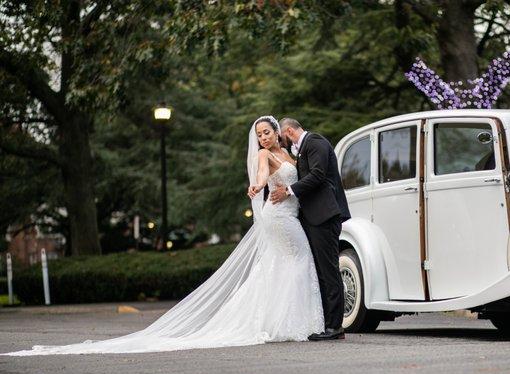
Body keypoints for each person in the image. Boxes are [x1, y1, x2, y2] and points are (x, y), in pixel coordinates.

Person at [1, 116, 324, 356]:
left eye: (267, 133)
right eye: (259, 135)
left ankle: (287, 321)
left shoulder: (290, 156)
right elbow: (262, 178)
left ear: (277, 132)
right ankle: (291, 323)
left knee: (285, 263)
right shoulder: (264, 157)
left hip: (290, 211)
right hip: (278, 216)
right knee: (296, 259)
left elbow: (299, 179)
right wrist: (256, 187)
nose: (264, 138)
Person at [270, 118, 351, 341]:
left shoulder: (315, 143)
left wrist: (288, 190)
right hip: (314, 217)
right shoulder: (305, 147)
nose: (282, 142)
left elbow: (317, 175)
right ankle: (329, 323)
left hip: (324, 216)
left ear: (288, 131)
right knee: (322, 272)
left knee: (329, 271)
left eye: (281, 137)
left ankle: (335, 327)